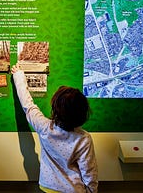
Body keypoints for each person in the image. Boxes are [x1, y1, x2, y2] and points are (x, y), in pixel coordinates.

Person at [11, 64, 98, 193]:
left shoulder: (45, 127)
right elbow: (89, 172)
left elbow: (28, 105)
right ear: (83, 112)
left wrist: (18, 75)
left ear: (55, 109)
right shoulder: (83, 139)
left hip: (47, 188)